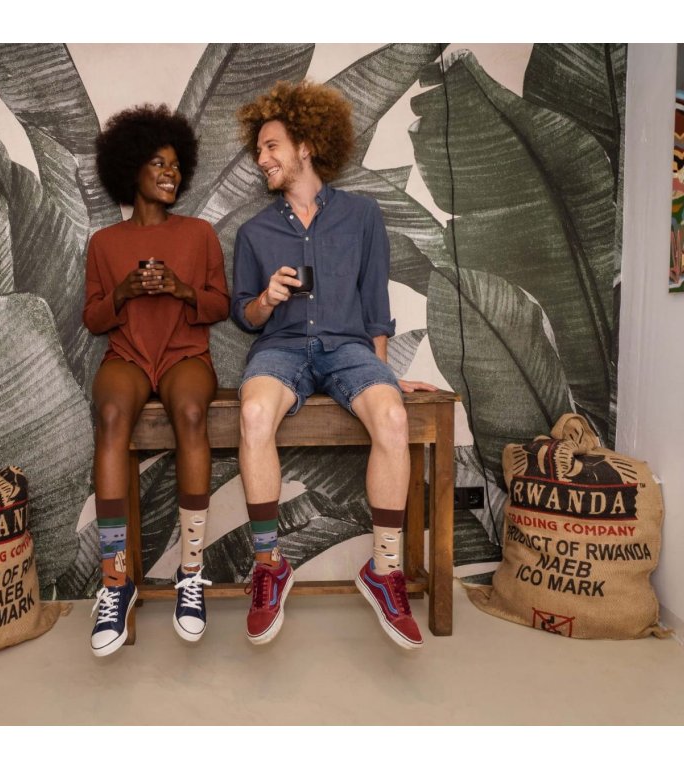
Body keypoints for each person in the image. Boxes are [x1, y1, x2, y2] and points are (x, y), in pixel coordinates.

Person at [231, 81, 437, 649]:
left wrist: (382, 378)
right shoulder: (255, 232)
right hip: (280, 348)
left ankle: (384, 571)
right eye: (258, 149)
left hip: (348, 349)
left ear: (305, 146)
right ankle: (270, 565)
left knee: (392, 417)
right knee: (254, 415)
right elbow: (244, 314)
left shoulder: (362, 215)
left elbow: (375, 304)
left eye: (272, 146)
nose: (262, 158)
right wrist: (267, 298)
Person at [83, 105, 230, 657]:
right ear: (131, 170)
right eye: (158, 163)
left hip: (184, 353)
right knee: (111, 416)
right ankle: (115, 582)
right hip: (127, 355)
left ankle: (190, 576)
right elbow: (94, 318)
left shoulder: (199, 234)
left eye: (175, 165)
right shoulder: (104, 243)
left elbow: (219, 304)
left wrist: (181, 289)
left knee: (191, 414)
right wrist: (122, 292)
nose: (171, 173)